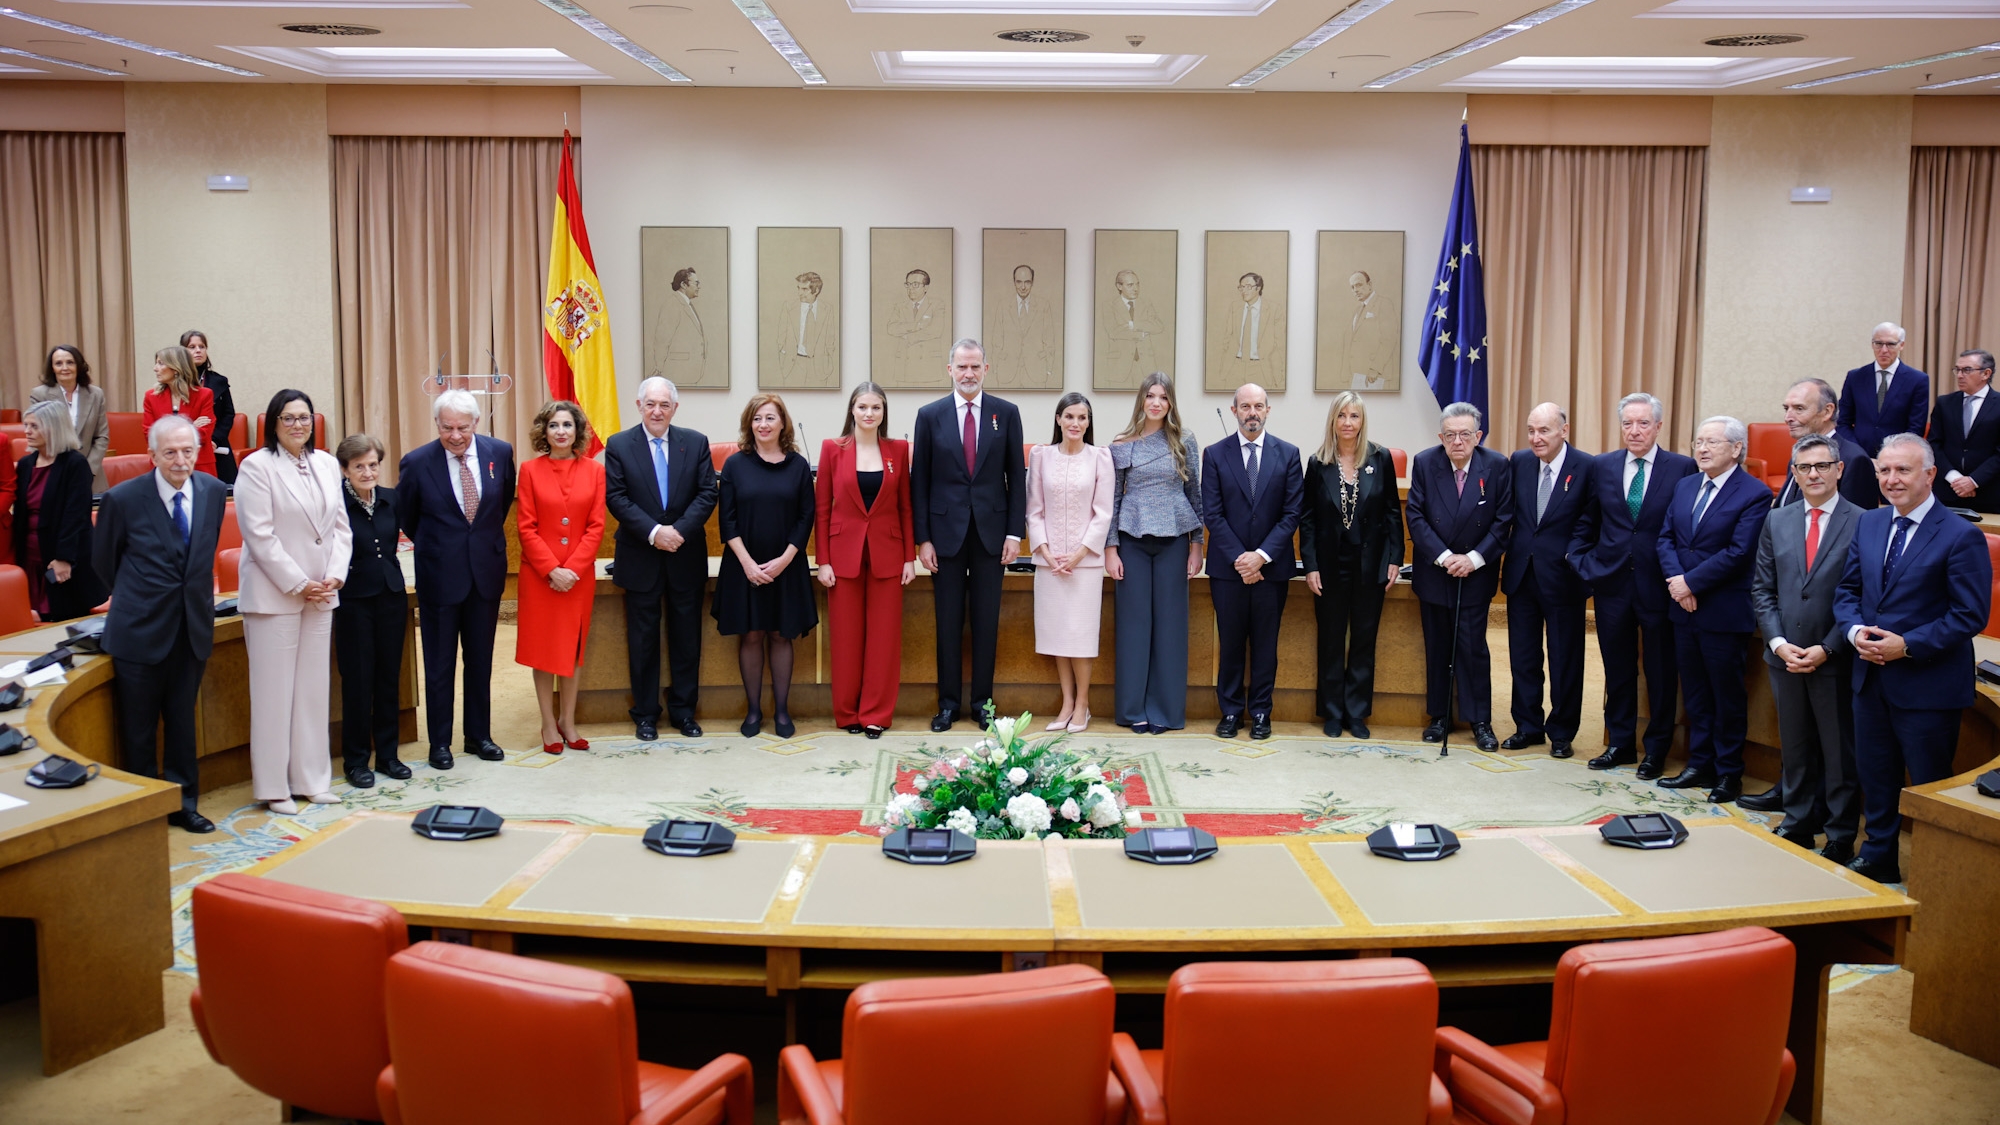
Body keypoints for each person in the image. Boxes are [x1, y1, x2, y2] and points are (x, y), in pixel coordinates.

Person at [1835, 433, 1992, 883]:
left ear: (1929, 474)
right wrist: (1853, 631)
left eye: (1902, 470)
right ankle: (1878, 855)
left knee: (1925, 784)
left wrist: (1907, 644)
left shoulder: (1961, 535)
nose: (1891, 479)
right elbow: (1848, 591)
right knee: (1877, 777)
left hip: (1927, 683)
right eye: (1884, 470)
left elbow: (1968, 615)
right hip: (1869, 677)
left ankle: (1930, 872)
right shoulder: (1869, 523)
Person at [93, 414, 226, 833]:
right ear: (152, 455)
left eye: (188, 451)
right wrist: (141, 598)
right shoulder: (124, 499)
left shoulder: (213, 490)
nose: (180, 460)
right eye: (170, 452)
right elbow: (103, 563)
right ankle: (146, 810)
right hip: (139, 632)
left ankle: (184, 803)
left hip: (191, 631)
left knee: (184, 725)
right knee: (139, 730)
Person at [1745, 434, 1863, 863]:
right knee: (1794, 747)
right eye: (1803, 468)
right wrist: (1778, 643)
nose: (1812, 474)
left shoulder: (1864, 521)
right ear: (1793, 473)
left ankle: (1839, 834)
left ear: (1839, 469)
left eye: (1821, 466)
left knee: (1838, 753)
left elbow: (1864, 597)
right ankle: (1797, 821)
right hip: (1784, 657)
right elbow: (1763, 590)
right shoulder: (1779, 520)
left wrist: (1828, 648)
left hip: (1835, 658)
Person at [1569, 392, 1697, 778]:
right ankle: (1620, 743)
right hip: (1611, 585)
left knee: (1660, 671)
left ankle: (1656, 748)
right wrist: (1581, 561)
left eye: (1643, 423)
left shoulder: (1682, 468)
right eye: (1628, 423)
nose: (1635, 431)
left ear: (1659, 426)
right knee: (1618, 668)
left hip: (1659, 586)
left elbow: (1685, 529)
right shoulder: (1603, 466)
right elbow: (1587, 520)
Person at [236, 390, 352, 816]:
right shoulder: (256, 466)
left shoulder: (324, 462)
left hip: (322, 593)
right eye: (289, 418)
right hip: (275, 596)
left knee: (311, 691)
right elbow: (259, 536)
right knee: (273, 695)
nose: (298, 425)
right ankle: (273, 787)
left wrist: (335, 574)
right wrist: (300, 583)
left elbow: (341, 529)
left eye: (305, 418)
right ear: (274, 422)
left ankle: (312, 780)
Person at [397, 389, 516, 769]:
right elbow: (408, 518)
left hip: (485, 573)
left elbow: (501, 505)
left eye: (462, 427)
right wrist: (442, 547)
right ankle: (441, 743)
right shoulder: (416, 463)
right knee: (439, 663)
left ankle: (478, 736)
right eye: (447, 427)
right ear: (437, 425)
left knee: (480, 660)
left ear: (476, 424)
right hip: (439, 576)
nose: (455, 435)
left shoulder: (500, 453)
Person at [912, 338, 1026, 731]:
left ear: (986, 370)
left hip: (991, 537)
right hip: (943, 538)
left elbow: (1017, 477)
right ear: (950, 370)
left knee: (985, 622)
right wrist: (922, 539)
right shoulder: (930, 415)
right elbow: (919, 481)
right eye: (961, 367)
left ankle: (982, 704)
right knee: (947, 622)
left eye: (975, 367)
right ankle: (947, 704)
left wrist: (1015, 532)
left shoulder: (1005, 414)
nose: (968, 374)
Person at [1655, 416, 1771, 804]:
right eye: (1698, 442)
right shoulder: (1686, 484)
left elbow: (1739, 553)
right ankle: (1698, 764)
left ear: (1736, 448)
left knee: (1726, 697)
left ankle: (1728, 773)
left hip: (1723, 610)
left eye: (1712, 443)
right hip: (1683, 607)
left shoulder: (1753, 493)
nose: (1701, 449)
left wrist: (1691, 583)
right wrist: (1677, 582)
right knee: (1696, 694)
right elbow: (1666, 538)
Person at [605, 377, 718, 741]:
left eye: (664, 405)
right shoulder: (619, 445)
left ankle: (684, 713)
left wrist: (678, 532)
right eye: (650, 404)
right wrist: (656, 533)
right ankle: (645, 715)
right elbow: (617, 498)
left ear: (674, 409)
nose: (657, 411)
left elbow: (706, 494)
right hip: (641, 555)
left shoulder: (696, 443)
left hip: (685, 554)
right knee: (643, 641)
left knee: (687, 640)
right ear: (639, 405)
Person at [1406, 402, 1512, 750]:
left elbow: (1503, 520)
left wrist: (1474, 559)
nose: (1457, 441)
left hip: (1475, 573)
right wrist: (1444, 556)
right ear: (1441, 437)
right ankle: (1439, 716)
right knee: (1437, 646)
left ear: (1477, 436)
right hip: (1435, 570)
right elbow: (1417, 517)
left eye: (1465, 434)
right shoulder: (1425, 462)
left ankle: (1480, 719)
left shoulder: (1496, 466)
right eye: (1450, 435)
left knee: (1472, 648)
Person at [1201, 383, 1303, 741]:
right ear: (1234, 412)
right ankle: (1230, 712)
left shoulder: (1288, 454)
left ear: (1268, 410)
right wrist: (1242, 560)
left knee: (1265, 645)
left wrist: (1260, 557)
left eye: (1259, 406)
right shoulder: (1214, 455)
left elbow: (1291, 514)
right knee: (1230, 643)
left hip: (1271, 570)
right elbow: (1212, 514)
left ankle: (1261, 712)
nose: (1252, 412)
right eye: (1245, 406)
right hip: (1228, 570)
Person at [713, 393, 817, 739]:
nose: (763, 425)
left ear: (783, 423)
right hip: (745, 565)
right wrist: (747, 564)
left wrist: (786, 559)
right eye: (757, 419)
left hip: (787, 565)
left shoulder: (798, 466)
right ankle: (754, 710)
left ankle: (783, 711)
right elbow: (726, 520)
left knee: (781, 634)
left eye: (770, 418)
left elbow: (806, 518)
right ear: (749, 424)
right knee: (752, 634)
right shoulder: (734, 465)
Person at [1299, 391, 1402, 739]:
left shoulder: (1380, 458)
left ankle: (1356, 713)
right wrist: (1309, 564)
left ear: (1362, 421)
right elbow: (1308, 519)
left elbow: (1392, 512)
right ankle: (1331, 711)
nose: (1347, 422)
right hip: (1329, 566)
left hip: (1369, 564)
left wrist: (1395, 559)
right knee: (1330, 639)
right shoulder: (1317, 463)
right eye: (1341, 415)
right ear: (1333, 420)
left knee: (1363, 639)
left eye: (1354, 416)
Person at [1106, 373, 1203, 735]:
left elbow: (1196, 495)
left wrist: (1197, 546)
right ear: (1142, 401)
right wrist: (1111, 548)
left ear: (1171, 402)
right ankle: (1133, 710)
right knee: (1134, 627)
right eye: (1151, 395)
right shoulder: (1122, 442)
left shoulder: (1184, 441)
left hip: (1175, 539)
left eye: (1163, 396)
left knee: (1169, 628)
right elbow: (1113, 500)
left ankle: (1164, 711)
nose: (1157, 402)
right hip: (1131, 538)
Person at [815, 382, 914, 739]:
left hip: (888, 555)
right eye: (862, 407)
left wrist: (909, 558)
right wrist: (822, 560)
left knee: (884, 639)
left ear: (884, 413)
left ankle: (875, 713)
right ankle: (847, 713)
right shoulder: (832, 449)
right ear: (852, 411)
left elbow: (905, 506)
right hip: (842, 557)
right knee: (845, 639)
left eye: (876, 408)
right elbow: (823, 508)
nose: (869, 414)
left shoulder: (898, 450)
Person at [1500, 404, 1595, 758]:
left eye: (1544, 431)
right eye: (1531, 430)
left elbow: (1591, 520)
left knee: (1564, 658)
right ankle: (1527, 726)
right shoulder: (1519, 461)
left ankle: (1561, 731)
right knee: (1523, 656)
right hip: (1521, 574)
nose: (1536, 438)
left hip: (1564, 577)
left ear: (1564, 430)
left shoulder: (1586, 467)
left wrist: (1575, 557)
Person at [516, 400, 607, 755]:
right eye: (554, 425)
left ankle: (568, 721)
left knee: (571, 649)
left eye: (567, 425)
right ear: (544, 431)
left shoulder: (595, 472)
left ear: (577, 431)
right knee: (544, 651)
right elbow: (526, 527)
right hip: (540, 577)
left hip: (578, 576)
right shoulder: (529, 470)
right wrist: (552, 569)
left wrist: (572, 569)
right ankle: (547, 724)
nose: (561, 432)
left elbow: (596, 526)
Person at [1026, 393, 1114, 733]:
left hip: (1085, 565)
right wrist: (1045, 551)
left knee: (1080, 636)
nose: (1076, 423)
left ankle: (1083, 704)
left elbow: (1103, 511)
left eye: (1082, 418)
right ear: (1058, 420)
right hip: (1049, 563)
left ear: (1088, 423)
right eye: (1070, 417)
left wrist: (1080, 553)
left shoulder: (1100, 458)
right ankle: (1065, 702)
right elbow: (1034, 509)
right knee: (1057, 636)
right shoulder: (1041, 456)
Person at [333, 433, 409, 789]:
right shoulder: (335, 504)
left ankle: (389, 756)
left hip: (391, 596)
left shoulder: (392, 499)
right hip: (353, 602)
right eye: (359, 466)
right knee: (359, 683)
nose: (367, 472)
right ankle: (356, 760)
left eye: (373, 465)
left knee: (388, 679)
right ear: (345, 470)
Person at [13, 400, 106, 621]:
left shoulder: (74, 464)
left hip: (61, 555)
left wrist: (64, 558)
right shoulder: (27, 464)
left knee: (61, 616)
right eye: (26, 425)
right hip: (30, 554)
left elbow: (76, 516)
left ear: (54, 427)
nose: (27, 431)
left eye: (34, 426)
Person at [1775, 378, 1878, 510]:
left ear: (1827, 411)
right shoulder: (1799, 455)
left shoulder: (1853, 459)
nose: (1788, 418)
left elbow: (1856, 521)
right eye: (1786, 409)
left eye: (1799, 408)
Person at [1837, 322, 1929, 457]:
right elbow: (1843, 423)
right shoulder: (1855, 377)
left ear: (1901, 345)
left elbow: (1916, 428)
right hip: (1858, 457)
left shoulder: (1917, 380)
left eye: (1891, 344)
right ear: (1872, 344)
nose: (1884, 350)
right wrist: (1858, 452)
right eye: (1878, 344)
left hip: (1897, 458)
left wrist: (1891, 456)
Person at [28, 344, 108, 492]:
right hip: (52, 474)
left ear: (79, 365)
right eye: (58, 363)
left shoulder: (96, 394)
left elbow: (101, 437)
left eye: (70, 362)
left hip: (90, 477)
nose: (65, 367)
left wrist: (86, 470)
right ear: (52, 368)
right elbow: (37, 437)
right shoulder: (40, 395)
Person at [1931, 349, 2000, 514]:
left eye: (1966, 370)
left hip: (1987, 492)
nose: (1960, 375)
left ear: (1986, 373)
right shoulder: (1945, 403)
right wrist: (1954, 478)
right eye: (1957, 370)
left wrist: (1973, 481)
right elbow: (1933, 444)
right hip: (1948, 490)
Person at [142, 345, 218, 478]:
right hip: (164, 465)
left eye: (160, 363)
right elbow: (150, 435)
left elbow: (204, 435)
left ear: (176, 368)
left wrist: (165, 432)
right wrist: (191, 427)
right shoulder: (151, 397)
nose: (155, 368)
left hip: (199, 465)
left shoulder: (204, 395)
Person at [183, 330, 239, 484]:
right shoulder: (177, 384)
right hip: (185, 447)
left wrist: (214, 440)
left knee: (224, 492)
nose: (198, 350)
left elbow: (228, 414)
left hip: (217, 444)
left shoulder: (219, 381)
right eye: (192, 347)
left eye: (202, 346)